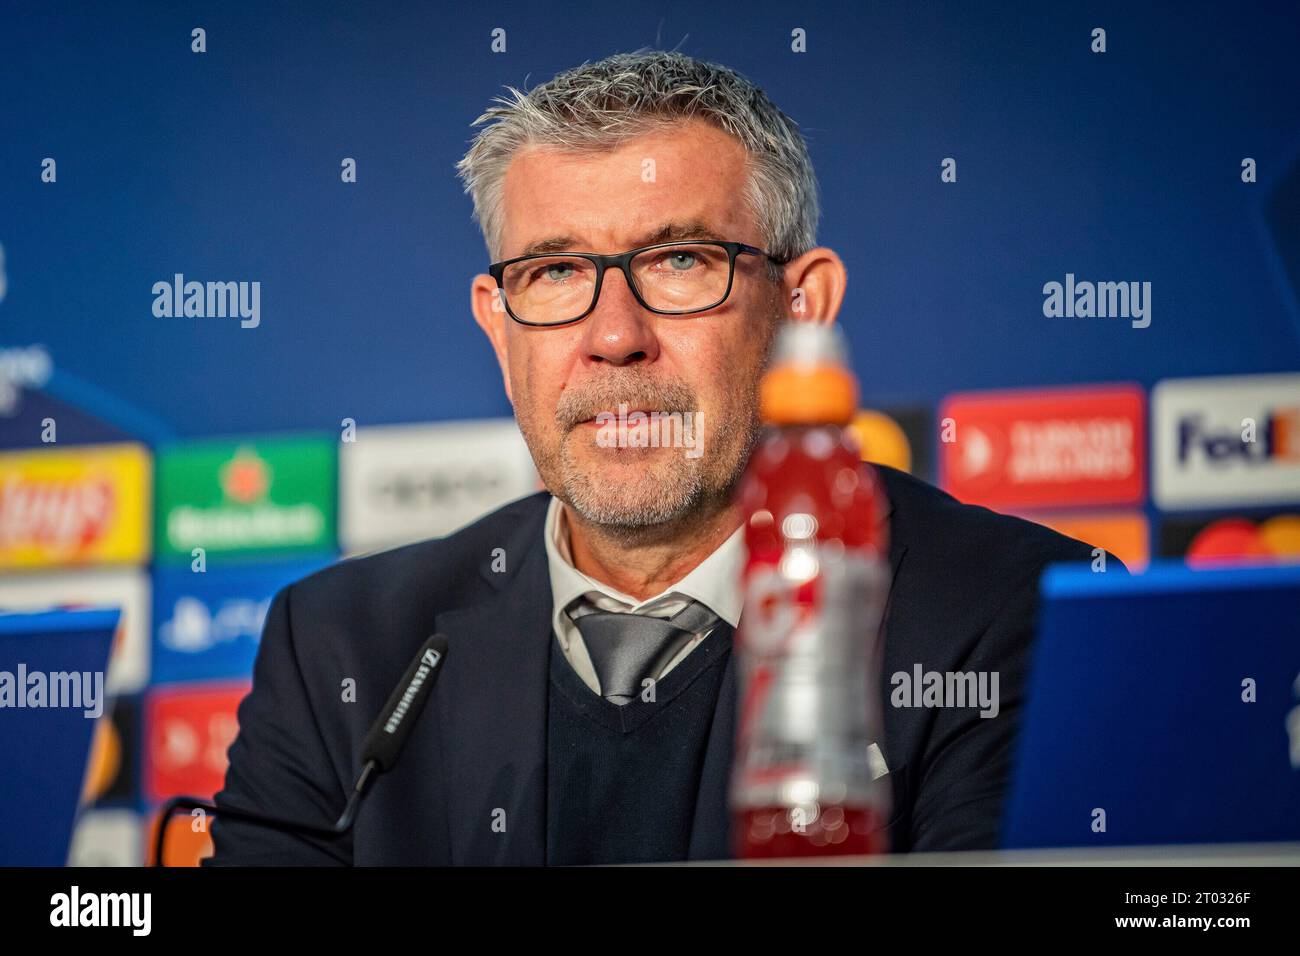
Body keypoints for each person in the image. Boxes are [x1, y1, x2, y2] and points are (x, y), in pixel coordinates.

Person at [208, 50, 1110, 865]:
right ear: (498, 325)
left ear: (804, 308)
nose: (614, 336)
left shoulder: (1017, 614)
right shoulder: (340, 646)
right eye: (555, 273)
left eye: (680, 260)